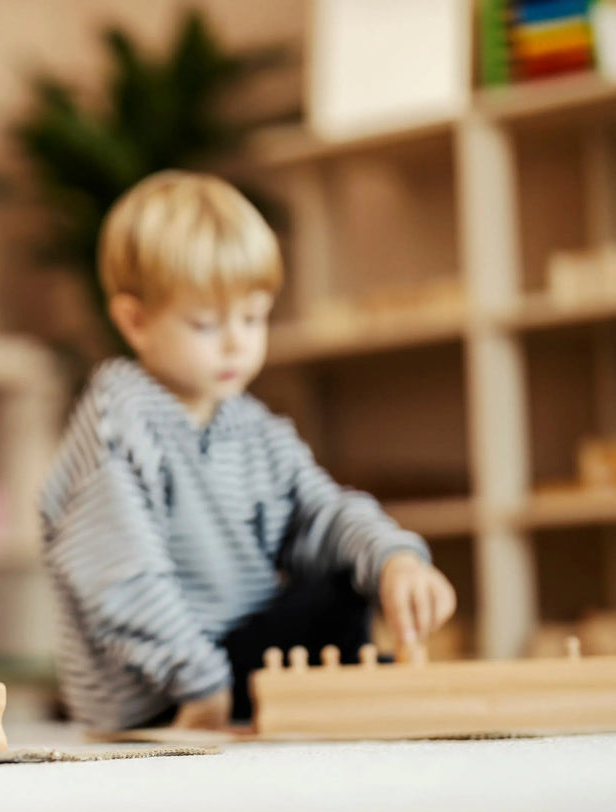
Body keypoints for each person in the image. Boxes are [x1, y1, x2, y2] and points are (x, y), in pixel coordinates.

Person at [40, 171, 457, 731]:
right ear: (135, 322)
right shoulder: (119, 420)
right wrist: (202, 684)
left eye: (253, 317)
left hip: (239, 660)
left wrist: (393, 559)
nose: (237, 341)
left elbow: (324, 514)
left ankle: (347, 691)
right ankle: (323, 692)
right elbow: (122, 578)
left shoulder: (254, 427)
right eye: (207, 323)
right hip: (163, 691)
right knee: (342, 641)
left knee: (341, 583)